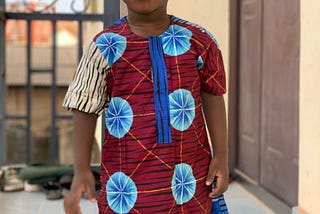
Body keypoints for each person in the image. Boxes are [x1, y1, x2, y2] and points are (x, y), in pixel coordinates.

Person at [63, 0, 229, 213]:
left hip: (189, 182)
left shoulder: (200, 41)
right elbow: (83, 108)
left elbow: (213, 94)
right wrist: (81, 169)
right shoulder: (104, 47)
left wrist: (221, 154)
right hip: (126, 188)